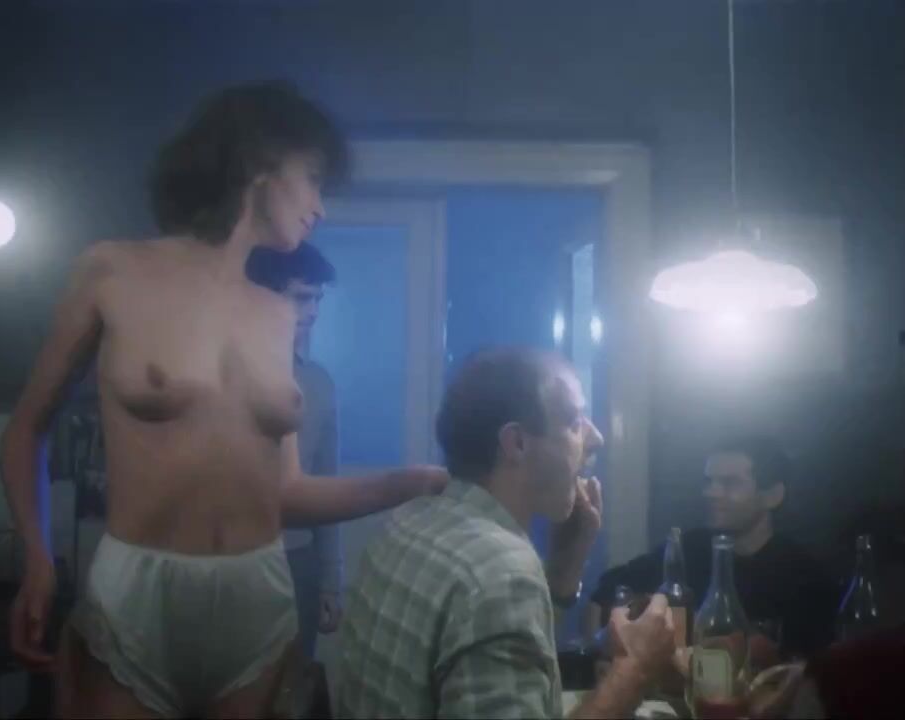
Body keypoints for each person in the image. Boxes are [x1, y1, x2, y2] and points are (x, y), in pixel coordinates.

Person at [0, 82, 446, 719]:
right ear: (262, 161)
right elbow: (26, 428)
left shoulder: (276, 313)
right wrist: (37, 558)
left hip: (256, 593)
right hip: (139, 589)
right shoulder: (112, 271)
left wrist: (414, 481)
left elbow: (287, 494)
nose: (320, 206)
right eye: (314, 179)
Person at [335, 348, 677, 719]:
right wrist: (634, 670)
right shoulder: (500, 573)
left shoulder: (406, 521)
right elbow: (494, 596)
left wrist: (564, 569)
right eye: (574, 421)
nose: (595, 438)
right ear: (517, 443)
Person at [590, 435, 841, 661]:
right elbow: (606, 592)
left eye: (730, 483)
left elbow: (814, 665)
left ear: (772, 495)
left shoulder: (804, 577)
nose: (712, 492)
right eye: (709, 482)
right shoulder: (689, 548)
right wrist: (608, 646)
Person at [246, 241, 343, 659]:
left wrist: (330, 580)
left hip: (297, 558)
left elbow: (326, 483)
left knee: (293, 680)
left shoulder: (318, 383)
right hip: (230, 557)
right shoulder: (219, 369)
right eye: (303, 297)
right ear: (264, 295)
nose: (314, 311)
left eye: (318, 299)